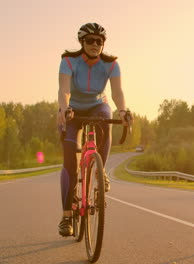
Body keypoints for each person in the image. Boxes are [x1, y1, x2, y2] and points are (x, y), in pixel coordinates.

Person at [56, 23, 131, 236]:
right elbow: (64, 89)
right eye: (90, 40)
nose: (95, 44)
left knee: (106, 118)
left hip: (98, 106)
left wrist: (123, 111)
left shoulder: (111, 64)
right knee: (70, 164)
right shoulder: (69, 61)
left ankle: (100, 171)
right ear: (82, 42)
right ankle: (66, 217)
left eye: (100, 41)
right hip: (73, 109)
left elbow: (117, 92)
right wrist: (64, 109)